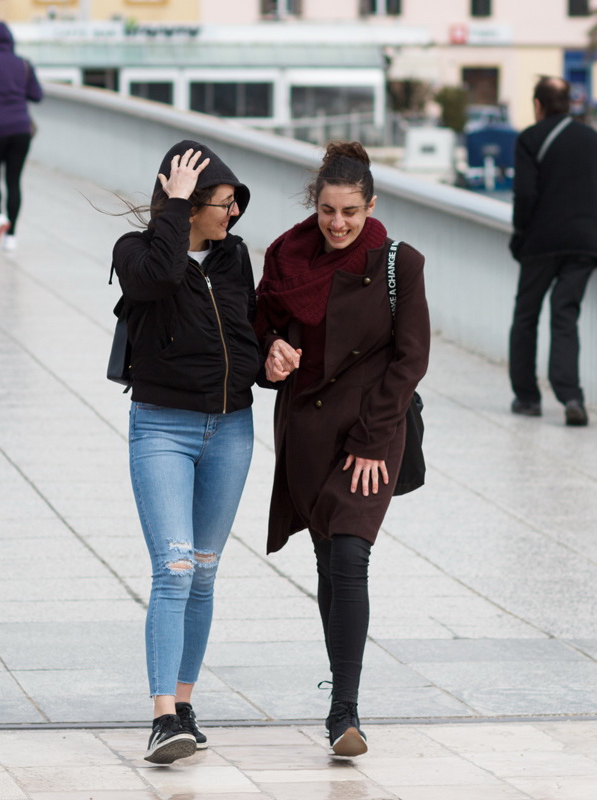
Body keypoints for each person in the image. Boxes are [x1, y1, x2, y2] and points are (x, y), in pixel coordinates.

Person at [255, 141, 429, 758]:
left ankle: (344, 710)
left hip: (371, 433)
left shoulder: (399, 264)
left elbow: (410, 359)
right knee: (329, 560)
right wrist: (271, 349)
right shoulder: (284, 257)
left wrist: (373, 438)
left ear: (371, 205)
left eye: (350, 211)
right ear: (315, 203)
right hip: (306, 429)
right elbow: (260, 321)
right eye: (328, 210)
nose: (338, 223)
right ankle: (340, 699)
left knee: (351, 554)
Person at [111, 141, 261, 765]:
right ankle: (161, 717)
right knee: (173, 568)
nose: (233, 214)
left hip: (231, 429)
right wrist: (172, 208)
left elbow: (247, 329)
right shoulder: (134, 251)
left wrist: (272, 360)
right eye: (223, 203)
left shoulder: (234, 257)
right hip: (162, 430)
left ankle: (185, 703)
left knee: (202, 570)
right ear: (190, 203)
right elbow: (160, 278)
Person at [508, 76, 597, 425]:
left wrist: (519, 235)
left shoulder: (529, 139)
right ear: (569, 103)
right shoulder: (592, 139)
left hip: (541, 242)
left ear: (538, 105)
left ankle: (527, 398)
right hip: (583, 243)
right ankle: (572, 397)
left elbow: (525, 194)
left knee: (526, 316)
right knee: (565, 315)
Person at [0, 21, 41, 252]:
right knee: (13, 181)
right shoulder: (24, 64)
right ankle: (11, 237)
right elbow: (37, 95)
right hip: (21, 129)